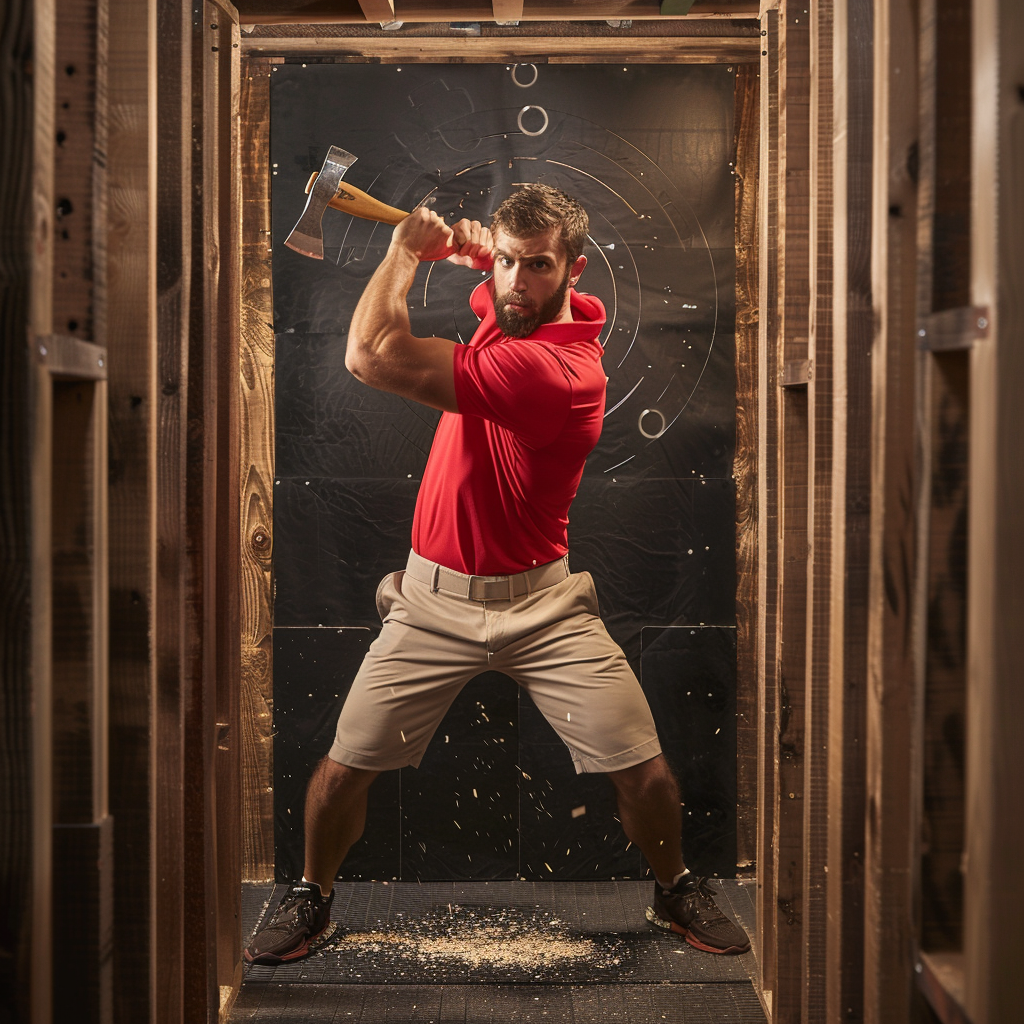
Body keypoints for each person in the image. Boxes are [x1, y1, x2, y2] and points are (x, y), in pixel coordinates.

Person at [244, 184, 749, 965]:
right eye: (509, 263)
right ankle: (312, 893)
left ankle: (674, 885)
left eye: (538, 266)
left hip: (544, 607)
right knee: (344, 768)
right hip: (430, 602)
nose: (516, 281)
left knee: (642, 768)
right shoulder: (519, 312)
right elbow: (506, 295)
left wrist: (408, 250)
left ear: (576, 270)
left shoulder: (559, 372)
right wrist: (486, 253)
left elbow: (369, 353)